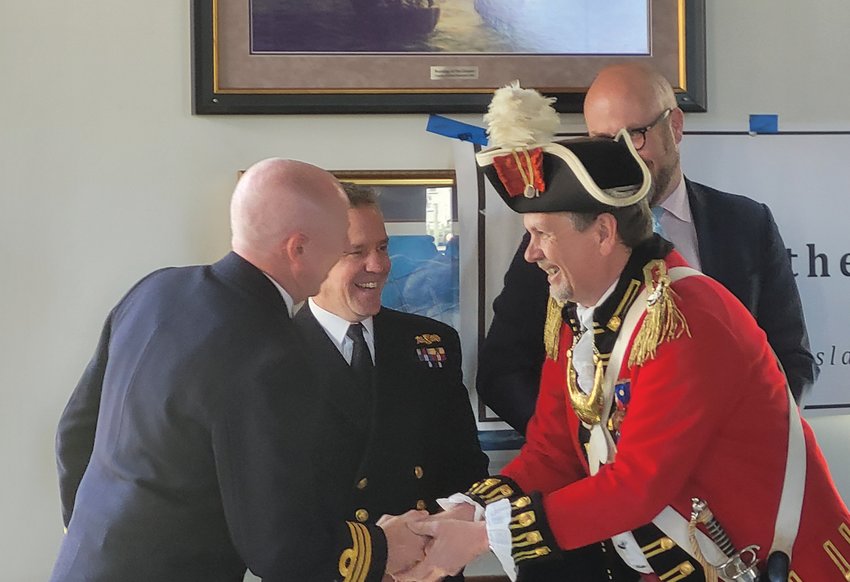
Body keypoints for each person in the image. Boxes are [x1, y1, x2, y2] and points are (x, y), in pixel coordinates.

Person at [393, 86, 850, 582]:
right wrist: (461, 514)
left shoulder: (686, 319)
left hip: (773, 566)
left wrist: (482, 538)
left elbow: (637, 486)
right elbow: (553, 454)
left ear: (604, 232)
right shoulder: (579, 313)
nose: (531, 252)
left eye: (543, 233)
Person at [51, 159, 426, 581]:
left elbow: (75, 429)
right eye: (342, 243)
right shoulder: (271, 353)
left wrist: (93, 531)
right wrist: (382, 547)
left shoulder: (156, 290)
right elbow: (279, 548)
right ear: (298, 248)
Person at [478, 63, 818, 434]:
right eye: (604, 141)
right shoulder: (556, 240)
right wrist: (585, 448)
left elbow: (791, 358)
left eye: (635, 135)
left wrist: (756, 436)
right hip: (607, 479)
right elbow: (503, 371)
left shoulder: (747, 224)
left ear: (674, 126)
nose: (622, 155)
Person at [293, 183, 489, 580]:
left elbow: (464, 463)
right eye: (357, 251)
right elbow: (275, 509)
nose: (379, 265)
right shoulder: (272, 355)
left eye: (382, 247)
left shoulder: (431, 342)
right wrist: (375, 560)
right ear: (312, 257)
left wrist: (437, 553)